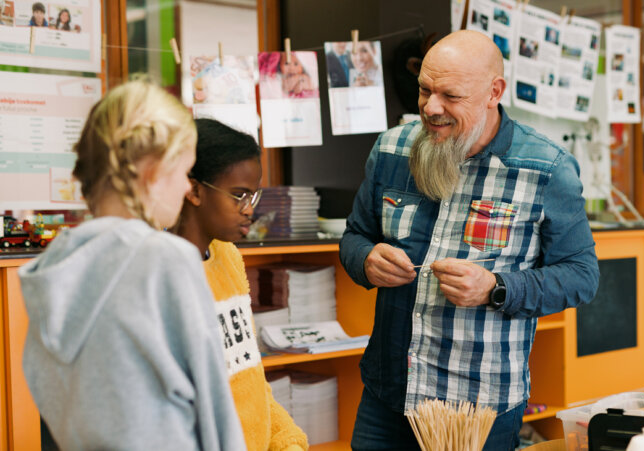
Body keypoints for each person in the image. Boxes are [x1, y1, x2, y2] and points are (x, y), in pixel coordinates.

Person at [340, 30, 599, 450]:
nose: (430, 107)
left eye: (450, 95)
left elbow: (581, 276)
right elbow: (355, 236)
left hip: (480, 407)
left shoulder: (544, 168)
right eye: (424, 90)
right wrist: (366, 259)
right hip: (388, 396)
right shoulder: (391, 149)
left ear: (493, 92)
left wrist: (495, 288)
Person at [18, 80, 246, 450]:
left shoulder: (52, 269)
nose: (185, 189)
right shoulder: (165, 260)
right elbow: (215, 416)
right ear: (153, 172)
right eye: (183, 172)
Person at [173, 118, 309, 451]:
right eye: (238, 195)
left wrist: (285, 440)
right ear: (193, 189)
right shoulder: (162, 276)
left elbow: (248, 374)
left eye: (253, 195)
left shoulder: (228, 256)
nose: (250, 210)